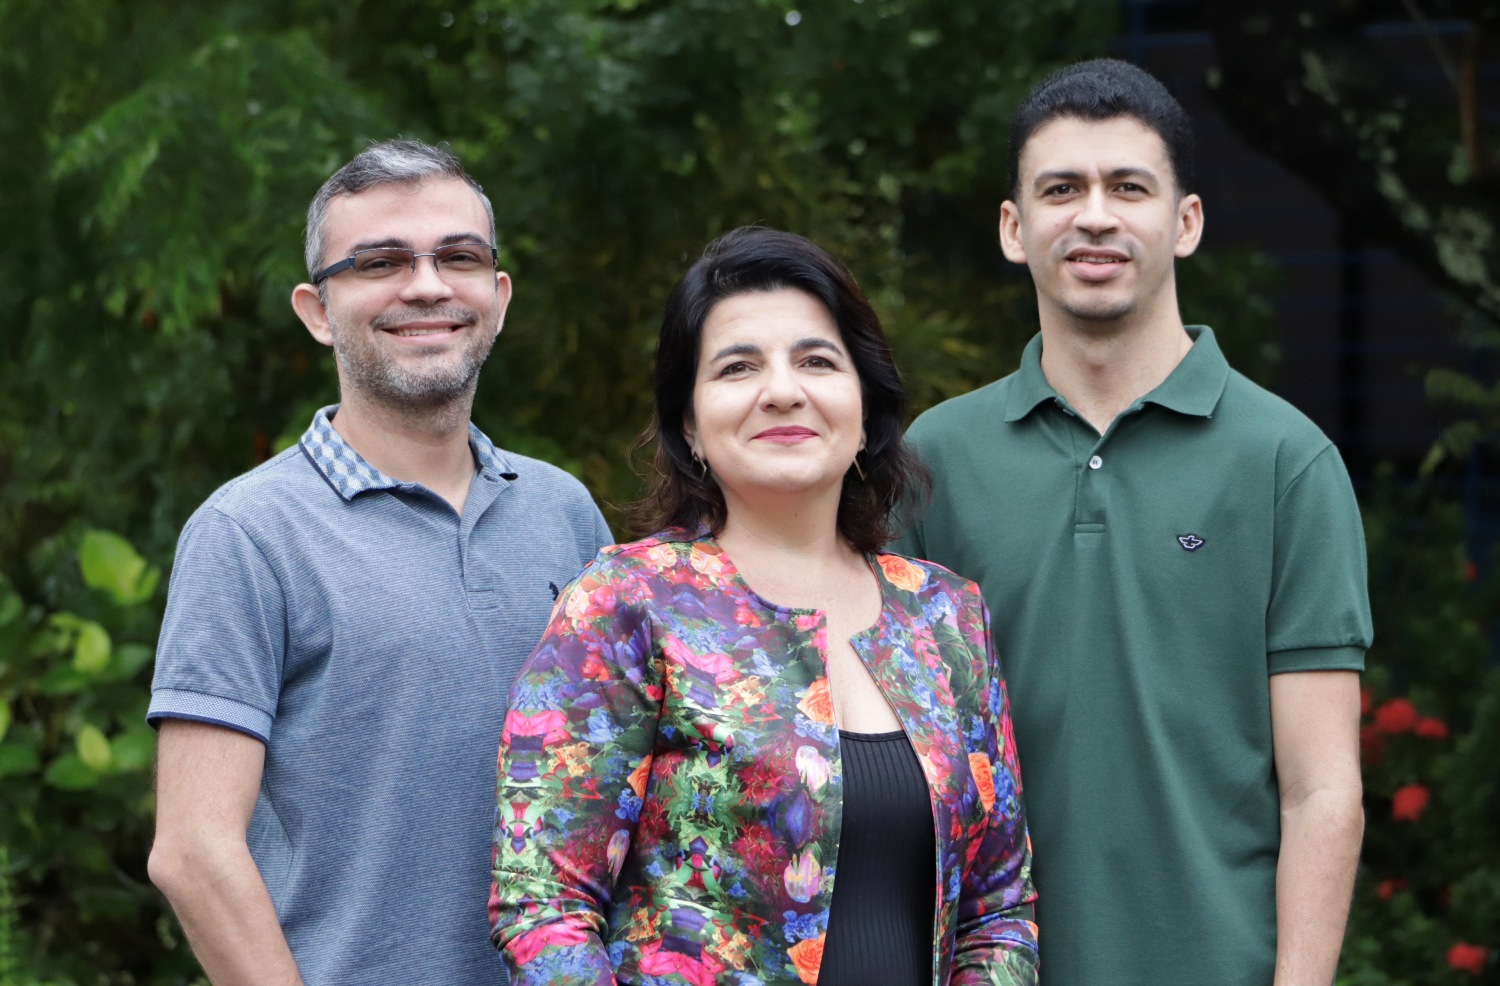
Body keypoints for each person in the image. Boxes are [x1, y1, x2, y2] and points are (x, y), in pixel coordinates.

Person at [894, 60, 1373, 986]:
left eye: (1129, 187)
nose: (1095, 215)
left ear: (1185, 222)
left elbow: (1322, 791)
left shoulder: (1286, 462)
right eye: (1061, 188)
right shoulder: (933, 461)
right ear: (1013, 227)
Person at [487, 226, 1038, 986]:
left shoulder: (946, 618)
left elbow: (998, 910)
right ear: (690, 424)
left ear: (864, 406)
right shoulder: (626, 603)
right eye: (739, 367)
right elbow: (544, 905)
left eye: (816, 360)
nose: (784, 390)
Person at [147, 139, 611, 985]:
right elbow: (193, 850)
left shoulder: (565, 511)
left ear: (498, 299)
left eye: (458, 257)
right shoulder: (248, 532)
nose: (427, 285)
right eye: (380, 261)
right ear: (317, 309)